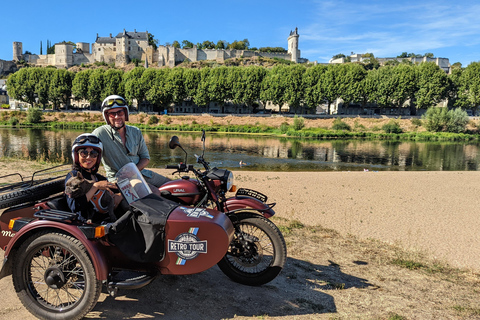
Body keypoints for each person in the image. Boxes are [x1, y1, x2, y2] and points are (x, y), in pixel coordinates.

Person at [92, 95, 169, 191]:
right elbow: (89, 154)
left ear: (125, 113)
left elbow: (145, 158)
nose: (117, 117)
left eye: (120, 112)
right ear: (107, 116)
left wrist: (133, 171)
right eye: (112, 114)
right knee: (153, 192)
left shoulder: (136, 131)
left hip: (142, 173)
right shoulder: (99, 133)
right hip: (119, 180)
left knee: (174, 184)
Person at [65, 133, 124, 223]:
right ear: (77, 155)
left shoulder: (96, 177)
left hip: (105, 217)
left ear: (98, 157)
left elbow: (116, 188)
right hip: (88, 223)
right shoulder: (74, 176)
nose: (89, 157)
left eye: (93, 154)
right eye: (84, 153)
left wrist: (122, 193)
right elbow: (74, 206)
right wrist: (95, 186)